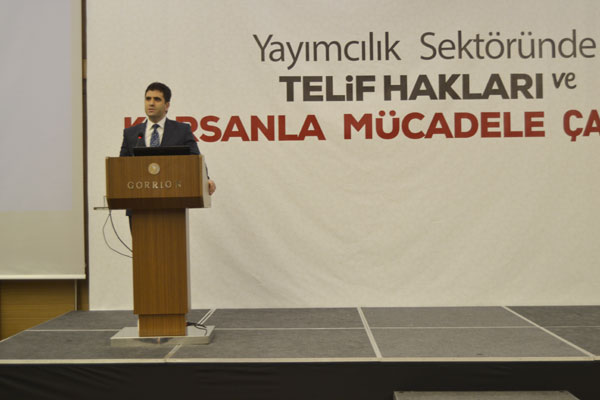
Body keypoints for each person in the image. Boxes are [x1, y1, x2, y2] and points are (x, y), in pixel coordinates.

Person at [120, 82, 216, 195]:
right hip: (139, 196)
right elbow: (121, 166)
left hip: (174, 195)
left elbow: (196, 160)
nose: (151, 103)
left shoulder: (182, 130)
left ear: (167, 105)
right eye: (148, 99)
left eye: (157, 99)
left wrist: (206, 180)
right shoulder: (131, 133)